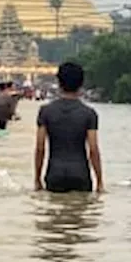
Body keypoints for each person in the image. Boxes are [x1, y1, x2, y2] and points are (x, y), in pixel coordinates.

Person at [34, 62, 104, 193]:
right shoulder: (89, 113)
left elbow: (40, 148)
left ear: (59, 82)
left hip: (55, 174)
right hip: (81, 174)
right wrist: (99, 181)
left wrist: (37, 178)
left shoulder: (45, 112)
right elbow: (93, 149)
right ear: (81, 83)